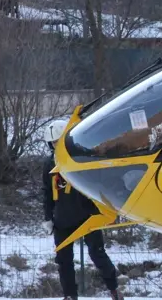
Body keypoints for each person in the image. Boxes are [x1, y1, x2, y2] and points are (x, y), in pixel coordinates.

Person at [41, 119, 123, 300]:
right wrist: (48, 217)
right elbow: (47, 192)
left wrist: (105, 208)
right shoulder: (49, 164)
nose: (56, 146)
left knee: (97, 254)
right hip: (62, 219)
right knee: (63, 260)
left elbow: (100, 183)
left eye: (58, 141)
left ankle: (114, 290)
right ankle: (70, 295)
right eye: (53, 143)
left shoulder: (83, 156)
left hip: (88, 215)